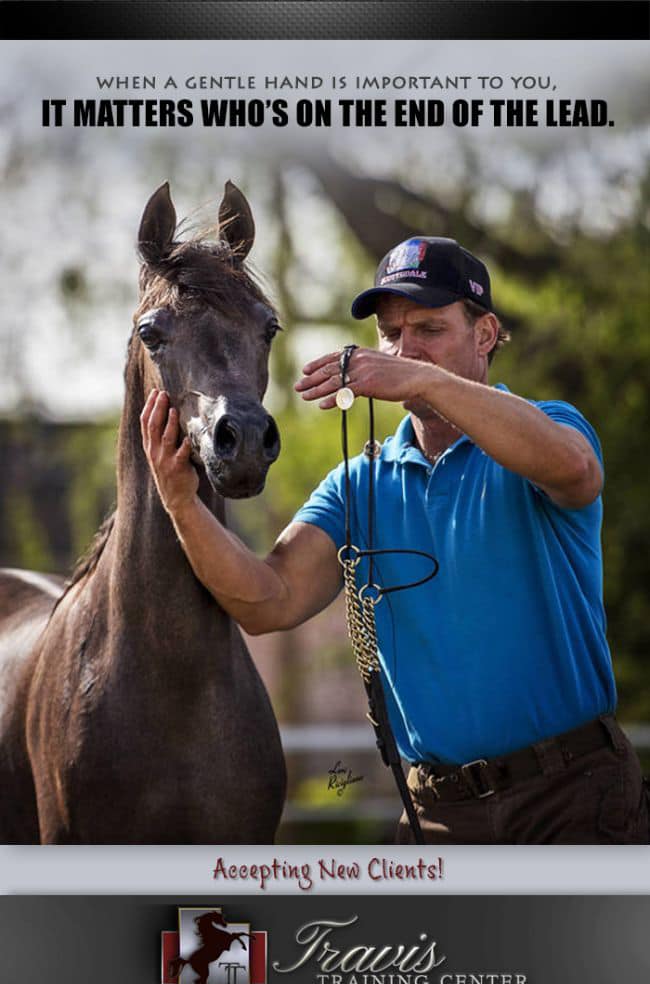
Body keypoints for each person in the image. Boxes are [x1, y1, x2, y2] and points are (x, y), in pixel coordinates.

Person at [141, 235, 648, 844]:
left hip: (570, 799)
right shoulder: (358, 484)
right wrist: (182, 503)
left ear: (484, 335)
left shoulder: (551, 427)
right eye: (391, 333)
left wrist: (422, 381)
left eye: (430, 329)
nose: (405, 348)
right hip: (436, 816)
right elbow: (267, 600)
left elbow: (575, 470)